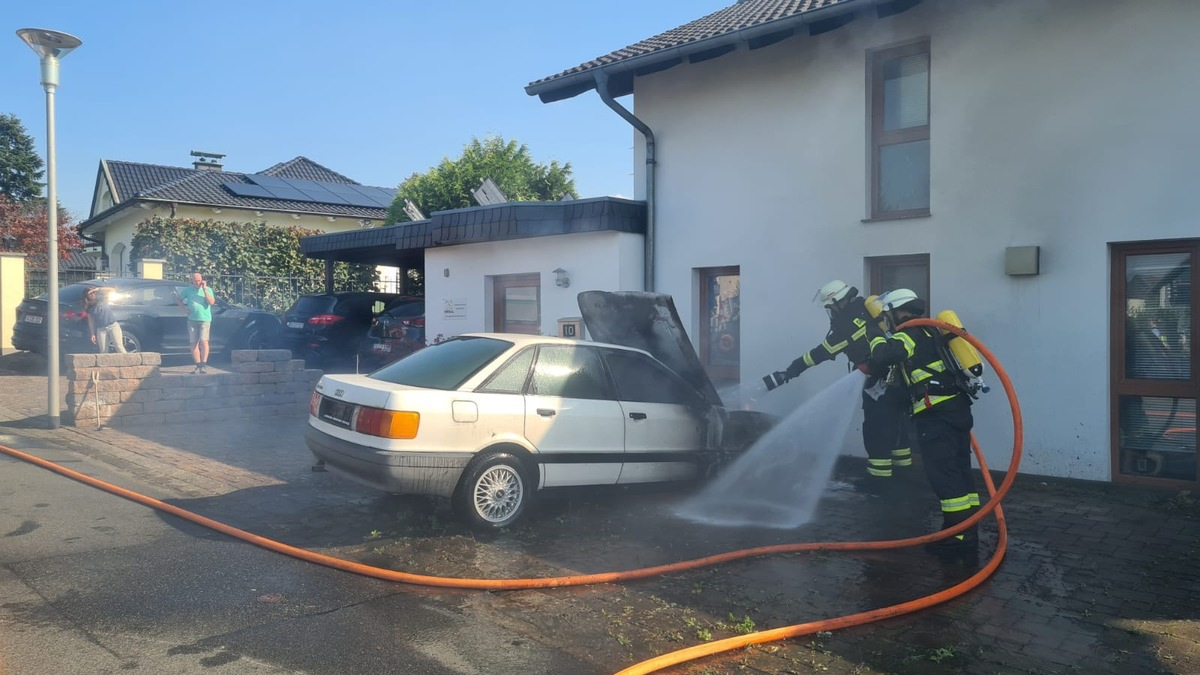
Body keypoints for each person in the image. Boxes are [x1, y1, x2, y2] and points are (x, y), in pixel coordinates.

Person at [865, 288, 981, 564]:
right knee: (961, 472)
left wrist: (876, 334)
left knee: (945, 476)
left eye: (888, 315)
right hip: (957, 409)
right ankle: (967, 531)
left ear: (895, 312)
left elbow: (882, 356)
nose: (888, 320)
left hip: (936, 415)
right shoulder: (933, 331)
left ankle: (957, 540)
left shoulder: (908, 334)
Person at [770, 279, 912, 491]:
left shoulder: (847, 324)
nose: (831, 312)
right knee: (898, 427)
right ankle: (904, 476)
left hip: (877, 384)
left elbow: (820, 353)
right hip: (900, 380)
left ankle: (879, 482)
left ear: (838, 302)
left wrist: (792, 370)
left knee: (876, 430)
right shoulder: (868, 309)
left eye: (830, 307)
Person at [176, 272, 216, 373]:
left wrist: (205, 289)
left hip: (205, 319)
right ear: (192, 281)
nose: (197, 283)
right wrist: (184, 310)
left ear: (202, 280)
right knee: (193, 343)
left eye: (199, 280)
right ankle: (198, 364)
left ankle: (203, 364)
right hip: (192, 319)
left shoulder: (208, 289)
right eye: (195, 281)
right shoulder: (188, 290)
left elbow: (211, 302)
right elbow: (179, 299)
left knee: (204, 341)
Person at [84, 286, 126, 354]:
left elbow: (113, 289)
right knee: (103, 351)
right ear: (87, 296)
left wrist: (98, 289)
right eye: (90, 293)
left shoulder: (102, 298)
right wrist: (92, 334)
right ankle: (105, 364)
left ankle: (127, 362)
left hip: (113, 325)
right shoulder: (89, 307)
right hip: (101, 329)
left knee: (119, 346)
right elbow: (91, 322)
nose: (93, 294)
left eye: (93, 292)